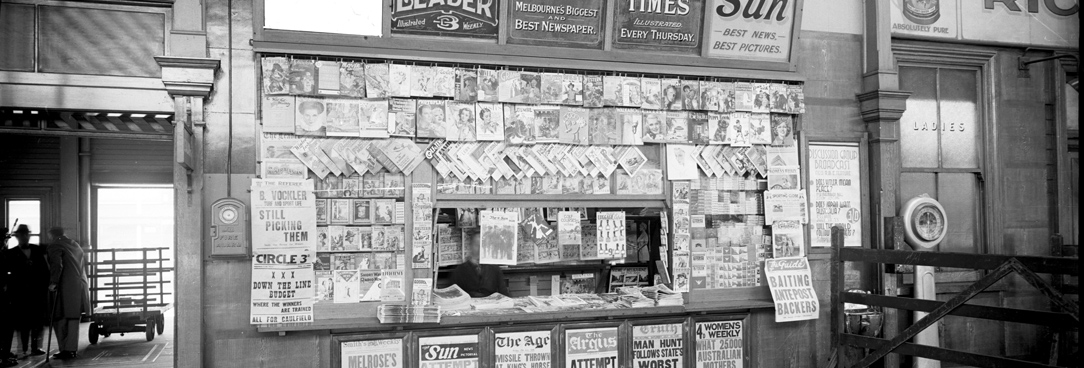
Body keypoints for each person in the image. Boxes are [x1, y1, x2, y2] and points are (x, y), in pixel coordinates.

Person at [46, 227, 90, 360]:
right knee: (73, 319)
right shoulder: (74, 244)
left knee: (60, 319)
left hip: (65, 286)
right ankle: (71, 349)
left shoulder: (55, 245)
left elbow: (57, 265)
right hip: (78, 286)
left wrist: (54, 282)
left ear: (50, 235)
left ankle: (64, 349)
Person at [5, 225, 49, 358]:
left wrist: (44, 286)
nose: (24, 237)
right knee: (23, 322)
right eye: (21, 235)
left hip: (37, 292)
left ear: (28, 236)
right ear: (18, 237)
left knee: (37, 321)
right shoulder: (11, 253)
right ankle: (23, 348)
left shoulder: (38, 250)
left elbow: (44, 270)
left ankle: (36, 347)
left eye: (26, 235)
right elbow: (9, 274)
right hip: (20, 293)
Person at [448, 229, 507, 297]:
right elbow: (453, 296)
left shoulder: (495, 269)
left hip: (490, 306)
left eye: (483, 245)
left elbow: (504, 294)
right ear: (470, 246)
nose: (480, 249)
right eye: (476, 245)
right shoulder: (459, 271)